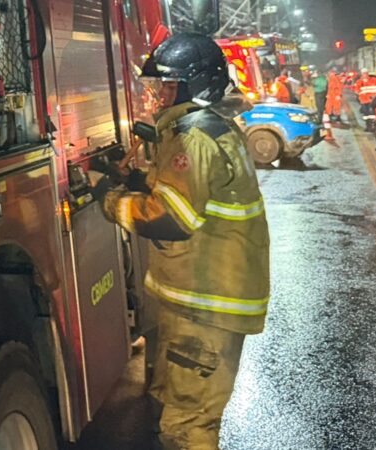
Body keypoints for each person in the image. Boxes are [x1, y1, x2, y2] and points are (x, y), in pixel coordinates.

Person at [92, 32, 270, 450]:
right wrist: (133, 180)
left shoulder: (193, 138)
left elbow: (171, 217)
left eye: (169, 86)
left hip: (206, 305)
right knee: (171, 404)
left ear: (195, 85)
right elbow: (185, 193)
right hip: (199, 298)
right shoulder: (208, 127)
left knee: (187, 426)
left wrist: (110, 200)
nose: (160, 96)